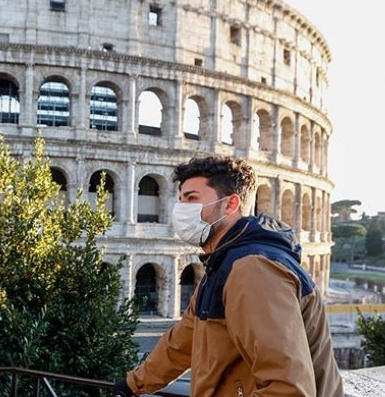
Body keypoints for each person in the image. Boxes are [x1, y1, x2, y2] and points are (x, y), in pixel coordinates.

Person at [113, 156, 343, 397]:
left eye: (192, 199)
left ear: (230, 204)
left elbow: (287, 389)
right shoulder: (225, 263)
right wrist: (134, 384)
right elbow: (184, 342)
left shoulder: (253, 269)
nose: (181, 209)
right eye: (180, 200)